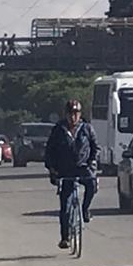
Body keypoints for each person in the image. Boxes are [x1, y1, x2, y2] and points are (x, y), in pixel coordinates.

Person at [44, 100, 99, 250]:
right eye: (70, 114)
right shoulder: (58, 130)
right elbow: (49, 151)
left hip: (83, 168)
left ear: (80, 114)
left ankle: (85, 210)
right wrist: (52, 169)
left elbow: (95, 148)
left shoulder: (86, 128)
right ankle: (65, 238)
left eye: (76, 113)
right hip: (65, 170)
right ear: (66, 114)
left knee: (92, 184)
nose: (73, 117)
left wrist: (92, 162)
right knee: (65, 205)